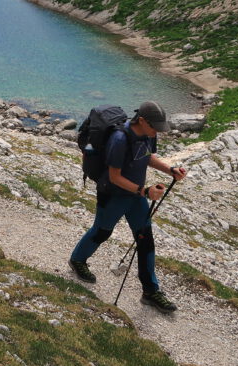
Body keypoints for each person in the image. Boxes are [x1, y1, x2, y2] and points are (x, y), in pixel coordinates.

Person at [68, 101, 188, 313]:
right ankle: (77, 260)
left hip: (136, 196)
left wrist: (170, 170)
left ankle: (150, 290)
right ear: (141, 120)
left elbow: (147, 156)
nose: (156, 132)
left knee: (145, 241)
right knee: (102, 232)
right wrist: (144, 191)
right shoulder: (119, 139)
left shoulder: (147, 134)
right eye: (154, 127)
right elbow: (114, 177)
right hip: (113, 195)